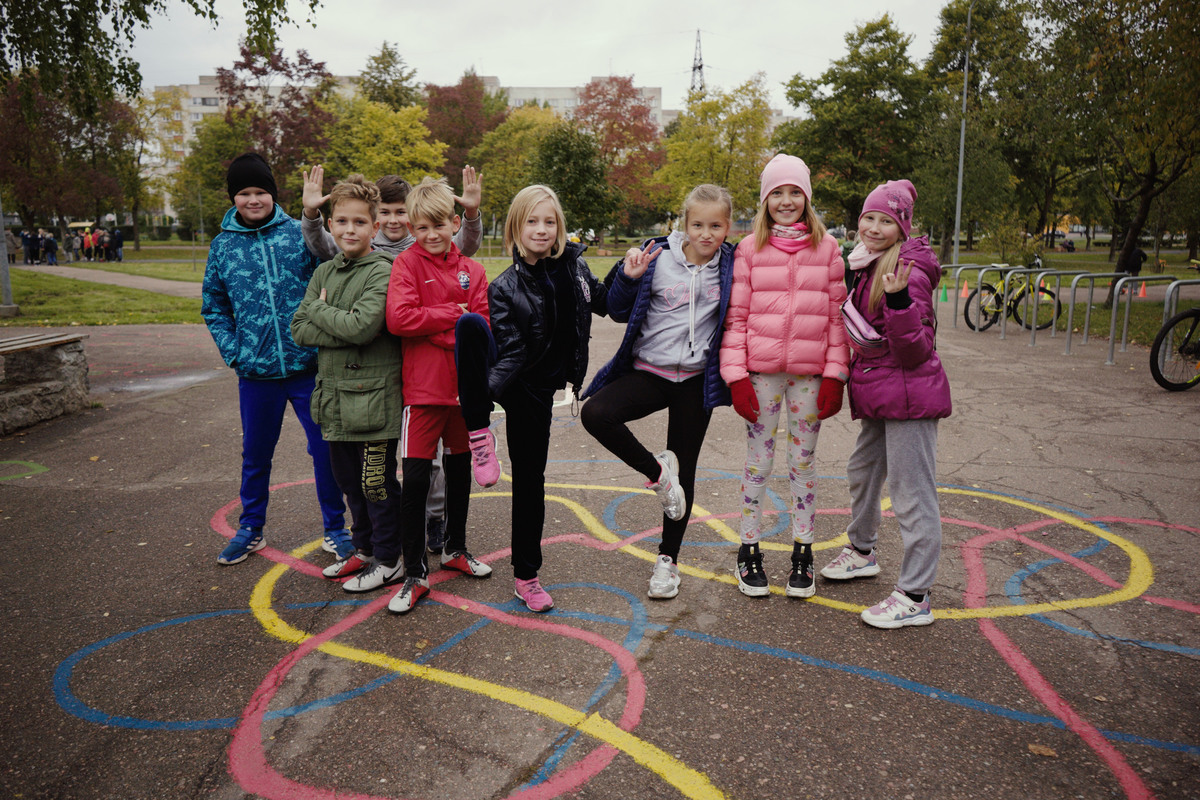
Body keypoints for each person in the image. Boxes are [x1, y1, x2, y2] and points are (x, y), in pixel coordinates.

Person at [302, 164, 484, 557]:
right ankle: (381, 545)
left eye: (400, 212)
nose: (394, 220)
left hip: (419, 378)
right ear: (377, 220)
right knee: (370, 471)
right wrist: (311, 213)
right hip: (384, 378)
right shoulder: (368, 256)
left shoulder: (421, 254)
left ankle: (431, 527)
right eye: (386, 212)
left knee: (424, 468)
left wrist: (471, 213)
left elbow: (462, 256)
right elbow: (311, 323)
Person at [454, 185, 608, 612]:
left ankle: (526, 576)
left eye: (549, 221)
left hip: (542, 390)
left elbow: (607, 303)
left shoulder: (575, 269)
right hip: (516, 381)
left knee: (530, 482)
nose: (541, 230)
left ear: (559, 227)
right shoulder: (504, 286)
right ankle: (478, 430)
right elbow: (514, 351)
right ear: (515, 229)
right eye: (531, 222)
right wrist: (488, 391)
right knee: (470, 327)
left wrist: (630, 275)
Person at [580, 184, 735, 600]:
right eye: (697, 225)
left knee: (687, 470)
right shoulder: (657, 257)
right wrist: (628, 278)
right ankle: (657, 472)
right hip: (651, 372)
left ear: (728, 227)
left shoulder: (732, 264)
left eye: (715, 226)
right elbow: (615, 309)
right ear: (684, 224)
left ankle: (668, 562)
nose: (706, 234)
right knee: (596, 413)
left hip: (696, 381)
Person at [202, 152, 349, 566]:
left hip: (309, 369)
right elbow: (214, 306)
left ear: (273, 194)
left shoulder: (298, 234)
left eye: (260, 191)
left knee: (325, 450)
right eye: (244, 193)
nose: (253, 199)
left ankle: (336, 528)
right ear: (233, 198)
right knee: (256, 454)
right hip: (256, 373)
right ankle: (251, 528)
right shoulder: (223, 246)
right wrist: (235, 351)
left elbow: (333, 274)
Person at [819, 179, 951, 629]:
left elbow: (917, 350)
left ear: (902, 227)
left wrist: (897, 300)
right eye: (868, 218)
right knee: (863, 470)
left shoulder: (908, 272)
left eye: (886, 221)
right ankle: (862, 551)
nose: (874, 228)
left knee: (912, 495)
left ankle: (916, 595)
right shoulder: (866, 262)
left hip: (910, 396)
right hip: (881, 391)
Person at [719, 153, 849, 600]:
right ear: (765, 199)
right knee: (758, 463)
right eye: (778, 192)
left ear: (807, 198)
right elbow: (736, 318)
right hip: (761, 375)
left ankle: (803, 552)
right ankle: (749, 549)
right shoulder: (749, 250)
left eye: (795, 192)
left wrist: (836, 375)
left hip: (809, 378)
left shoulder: (828, 249)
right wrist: (736, 376)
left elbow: (835, 317)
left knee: (803, 464)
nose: (787, 201)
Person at [291, 175, 405, 593]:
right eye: (342, 221)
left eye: (359, 222)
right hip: (335, 402)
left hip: (374, 404)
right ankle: (365, 548)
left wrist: (321, 312)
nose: (350, 230)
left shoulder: (384, 270)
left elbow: (362, 327)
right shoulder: (325, 270)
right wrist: (337, 323)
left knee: (376, 483)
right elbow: (298, 329)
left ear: (375, 226)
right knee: (349, 483)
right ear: (330, 225)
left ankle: (390, 559)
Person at [385, 177, 494, 615]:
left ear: (454, 223)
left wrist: (441, 326)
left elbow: (481, 328)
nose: (431, 235)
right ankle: (414, 572)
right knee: (414, 480)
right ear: (412, 228)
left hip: (464, 393)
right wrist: (452, 315)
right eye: (422, 227)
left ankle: (454, 548)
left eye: (439, 225)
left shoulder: (474, 270)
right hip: (423, 392)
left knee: (459, 473)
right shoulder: (406, 265)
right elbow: (400, 319)